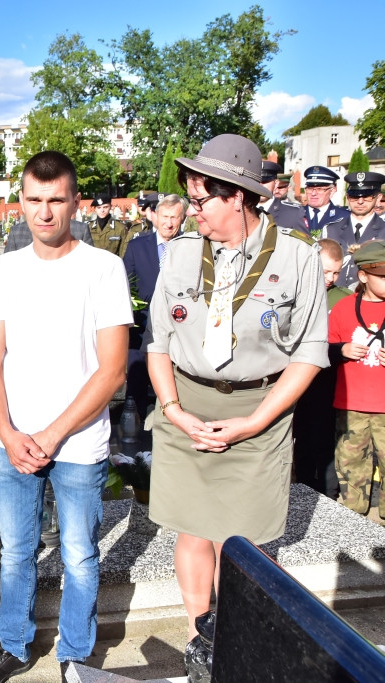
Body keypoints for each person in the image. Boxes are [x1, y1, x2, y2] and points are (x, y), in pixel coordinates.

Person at [144, 135, 328, 649]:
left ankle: (239, 638)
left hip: (257, 413)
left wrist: (253, 423)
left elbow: (309, 353)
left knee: (242, 541)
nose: (191, 212)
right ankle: (198, 636)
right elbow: (158, 340)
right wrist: (173, 409)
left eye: (202, 201)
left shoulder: (296, 258)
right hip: (186, 406)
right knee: (192, 529)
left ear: (239, 196)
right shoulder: (180, 255)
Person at [0, 151, 132, 683]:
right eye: (34, 201)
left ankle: (76, 655)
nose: (44, 212)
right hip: (12, 442)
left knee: (80, 555)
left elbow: (110, 372)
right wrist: (11, 434)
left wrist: (53, 433)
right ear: (21, 202)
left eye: (56, 200)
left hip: (79, 444)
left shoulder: (103, 269)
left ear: (74, 202)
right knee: (16, 552)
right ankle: (12, 646)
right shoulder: (7, 269)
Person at [330, 241, 385, 525]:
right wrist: (341, 350)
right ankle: (355, 522)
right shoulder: (342, 308)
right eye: (382, 276)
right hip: (352, 405)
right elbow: (322, 349)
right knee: (351, 464)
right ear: (363, 275)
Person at [293, 238, 352, 499]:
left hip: (329, 380)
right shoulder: (297, 291)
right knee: (301, 436)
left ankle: (328, 493)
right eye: (325, 270)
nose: (330, 277)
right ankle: (302, 486)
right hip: (297, 376)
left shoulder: (343, 298)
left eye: (336, 272)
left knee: (325, 438)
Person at [122, 194, 187, 411]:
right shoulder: (137, 247)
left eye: (175, 217)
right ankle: (135, 428)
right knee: (137, 384)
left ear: (183, 218)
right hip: (143, 327)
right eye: (165, 216)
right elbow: (125, 284)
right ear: (155, 216)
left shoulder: (191, 247)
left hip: (180, 327)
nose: (169, 223)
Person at [333, 171, 385, 288]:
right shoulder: (331, 229)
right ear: (347, 197)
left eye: (366, 196)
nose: (360, 201)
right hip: (335, 299)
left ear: (378, 198)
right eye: (354, 196)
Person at [257, 161, 306, 232]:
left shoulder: (294, 213)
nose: (260, 186)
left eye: (265, 182)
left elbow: (304, 242)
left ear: (276, 183)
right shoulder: (241, 210)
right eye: (257, 181)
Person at [303, 166, 349, 237]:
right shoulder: (296, 214)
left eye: (320, 189)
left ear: (333, 190)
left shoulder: (345, 217)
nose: (313, 193)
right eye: (310, 188)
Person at [5, 217, 93, 252]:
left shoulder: (80, 230)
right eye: (35, 200)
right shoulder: (17, 232)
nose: (45, 214)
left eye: (55, 201)